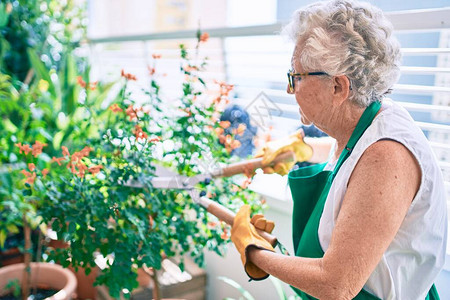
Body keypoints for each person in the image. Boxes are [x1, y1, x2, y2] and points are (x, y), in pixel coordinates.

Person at [230, 1, 448, 299]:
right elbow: (351, 160)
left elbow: (336, 285)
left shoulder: (387, 155)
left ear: (338, 88)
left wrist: (253, 250)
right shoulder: (366, 120)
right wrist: (303, 150)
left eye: (296, 77)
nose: (289, 90)